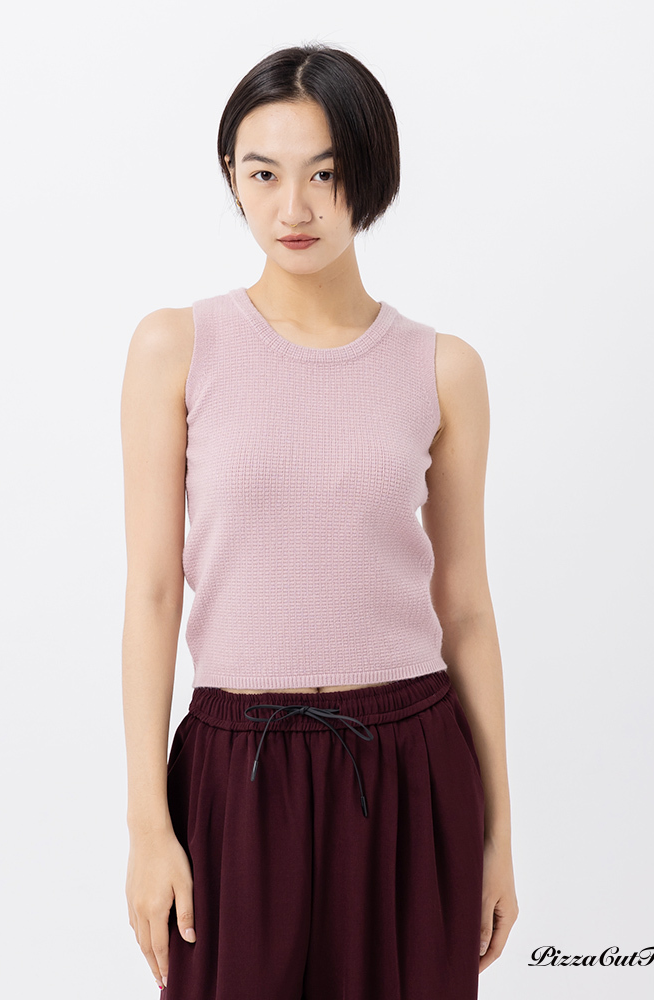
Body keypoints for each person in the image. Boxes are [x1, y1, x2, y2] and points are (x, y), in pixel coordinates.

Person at [121, 41, 518, 1000]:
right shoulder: (178, 346)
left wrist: (500, 834)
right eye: (264, 174)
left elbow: (466, 608)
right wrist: (147, 826)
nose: (293, 208)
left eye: (326, 174)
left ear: (371, 177)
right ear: (232, 175)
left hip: (411, 765)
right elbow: (153, 593)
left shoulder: (443, 368)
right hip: (233, 772)